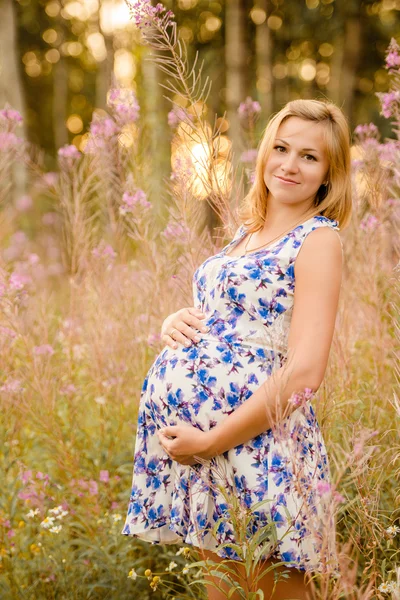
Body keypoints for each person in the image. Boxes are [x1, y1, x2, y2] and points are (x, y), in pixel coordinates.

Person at [121, 98, 352, 599]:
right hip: (211, 456)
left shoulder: (318, 240)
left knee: (278, 589)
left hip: (258, 445)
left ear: (330, 174)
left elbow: (306, 372)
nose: (290, 165)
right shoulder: (248, 232)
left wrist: (213, 440)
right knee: (221, 591)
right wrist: (177, 320)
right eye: (282, 148)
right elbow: (239, 320)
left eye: (310, 157)